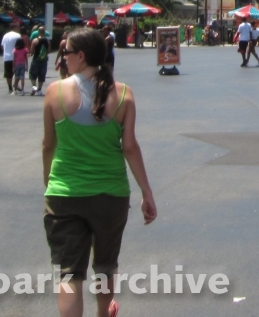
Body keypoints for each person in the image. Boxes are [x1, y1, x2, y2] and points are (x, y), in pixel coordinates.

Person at [42, 28, 157, 317]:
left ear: (80, 56)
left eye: (66, 53)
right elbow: (130, 147)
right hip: (111, 194)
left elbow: (48, 145)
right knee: (106, 264)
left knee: (70, 274)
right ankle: (105, 311)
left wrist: (50, 182)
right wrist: (146, 192)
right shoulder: (123, 94)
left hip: (65, 192)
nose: (63, 59)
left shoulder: (54, 92)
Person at [1, 27, 21, 94]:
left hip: (7, 57)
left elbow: (2, 46)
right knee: (18, 72)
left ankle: (10, 87)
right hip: (15, 57)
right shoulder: (18, 35)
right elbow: (20, 46)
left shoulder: (5, 35)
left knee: (8, 73)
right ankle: (15, 84)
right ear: (15, 28)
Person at [30, 31, 50, 95]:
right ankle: (39, 90)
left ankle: (34, 88)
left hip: (36, 59)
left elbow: (32, 51)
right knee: (42, 75)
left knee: (33, 74)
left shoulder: (35, 41)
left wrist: (32, 53)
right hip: (44, 60)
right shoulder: (47, 41)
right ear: (44, 33)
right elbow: (49, 51)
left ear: (38, 32)